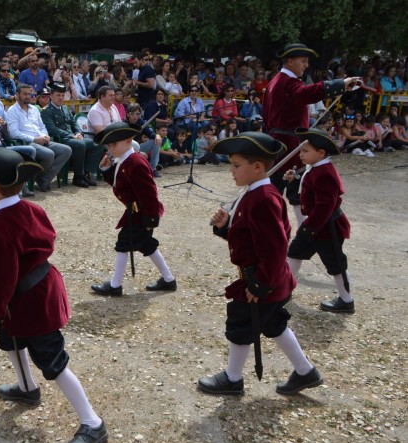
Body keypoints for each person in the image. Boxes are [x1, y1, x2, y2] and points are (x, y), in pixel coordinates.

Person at [0, 147, 108, 443]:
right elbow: (42, 241)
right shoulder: (31, 208)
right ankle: (27, 387)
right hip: (39, 286)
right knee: (10, 339)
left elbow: (2, 281)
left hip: (30, 300)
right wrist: (4, 260)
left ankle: (92, 421)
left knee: (52, 360)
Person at [198, 132, 323, 396]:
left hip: (264, 280)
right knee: (273, 324)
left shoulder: (264, 198)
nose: (231, 171)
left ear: (257, 167)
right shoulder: (253, 192)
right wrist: (226, 227)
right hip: (268, 279)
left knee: (241, 323)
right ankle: (305, 371)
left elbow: (275, 248)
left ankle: (232, 379)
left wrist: (260, 285)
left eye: (236, 165)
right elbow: (249, 237)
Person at [261, 43, 359, 215]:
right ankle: (303, 234)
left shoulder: (275, 81)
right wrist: (340, 84)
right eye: (303, 61)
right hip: (289, 145)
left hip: (277, 144)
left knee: (273, 190)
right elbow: (306, 93)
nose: (306, 65)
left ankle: (266, 227)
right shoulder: (287, 82)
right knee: (297, 193)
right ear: (290, 61)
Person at [91, 122, 177, 296]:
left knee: (123, 243)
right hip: (134, 212)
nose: (110, 148)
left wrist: (151, 219)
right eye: (108, 145)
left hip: (141, 214)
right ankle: (169, 280)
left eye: (114, 144)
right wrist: (107, 169)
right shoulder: (124, 160)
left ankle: (115, 286)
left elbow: (149, 194)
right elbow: (120, 185)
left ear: (129, 142)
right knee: (147, 245)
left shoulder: (136, 163)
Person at [285, 128, 354, 314]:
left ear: (321, 153)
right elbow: (308, 186)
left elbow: (325, 206)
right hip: (315, 225)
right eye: (300, 151)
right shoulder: (316, 167)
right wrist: (295, 179)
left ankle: (346, 301)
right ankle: (282, 292)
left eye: (305, 151)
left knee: (336, 264)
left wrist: (309, 228)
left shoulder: (325, 172)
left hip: (326, 227)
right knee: (294, 254)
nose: (301, 155)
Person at [5, 83, 72, 192]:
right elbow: (14, 133)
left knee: (66, 150)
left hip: (41, 139)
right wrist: (34, 139)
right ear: (17, 95)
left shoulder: (34, 109)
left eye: (29, 94)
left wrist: (45, 135)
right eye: (25, 94)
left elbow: (42, 126)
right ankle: (30, 179)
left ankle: (44, 178)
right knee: (48, 154)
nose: (28, 96)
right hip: (26, 142)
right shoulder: (12, 111)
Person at [40, 82, 102, 187]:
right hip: (61, 140)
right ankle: (78, 176)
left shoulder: (65, 108)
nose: (61, 98)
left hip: (73, 137)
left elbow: (73, 123)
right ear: (51, 96)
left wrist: (78, 132)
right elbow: (52, 130)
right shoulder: (46, 111)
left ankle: (88, 172)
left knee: (98, 144)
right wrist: (72, 136)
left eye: (62, 95)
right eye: (58, 95)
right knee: (80, 145)